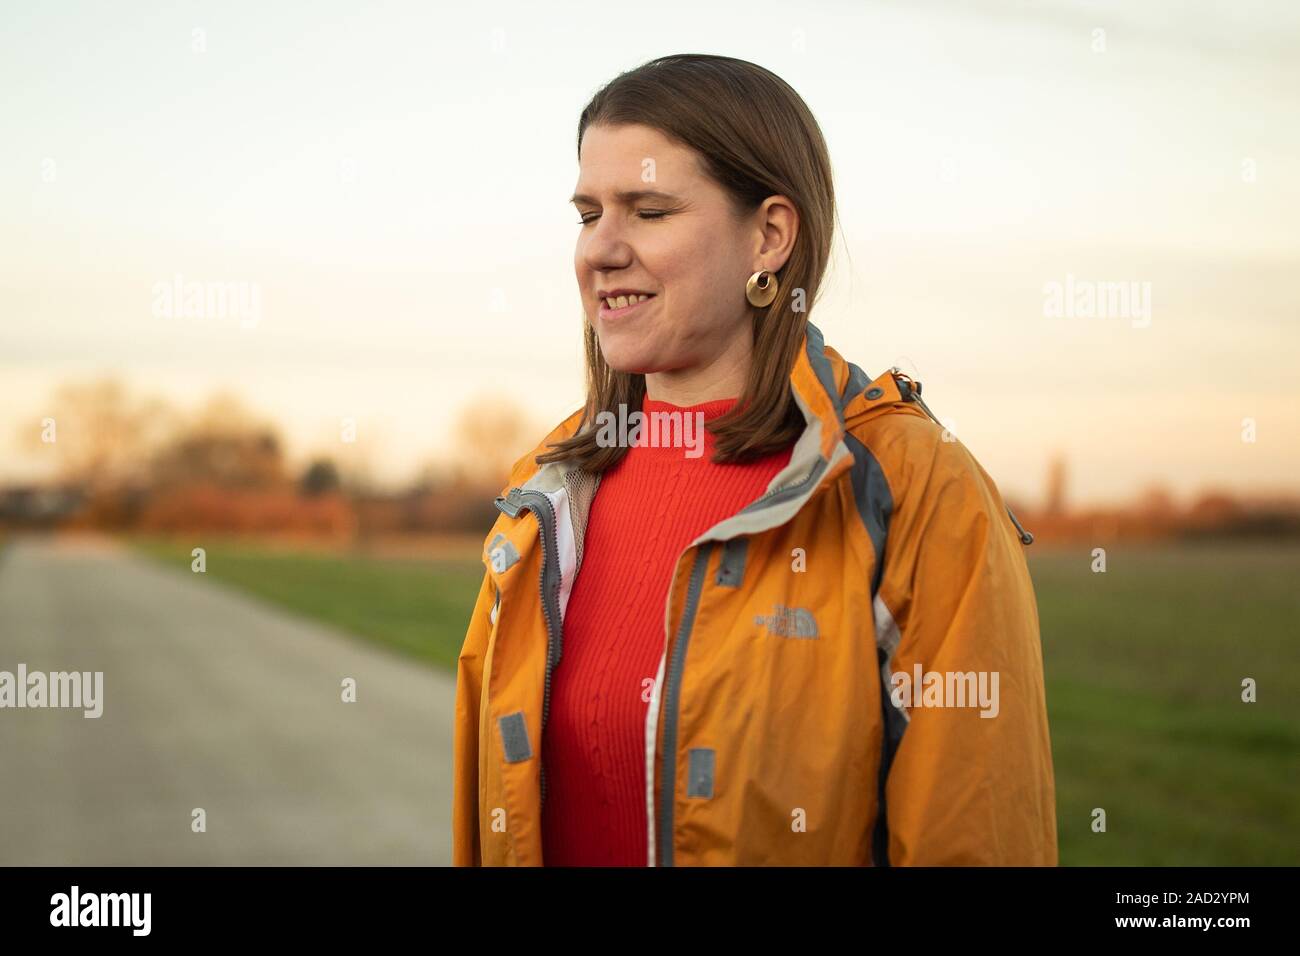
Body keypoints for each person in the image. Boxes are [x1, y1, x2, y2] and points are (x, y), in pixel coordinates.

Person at [452, 53, 1057, 866]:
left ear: (769, 236)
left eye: (649, 211)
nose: (600, 249)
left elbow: (977, 836)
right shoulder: (547, 490)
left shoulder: (911, 486)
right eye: (588, 213)